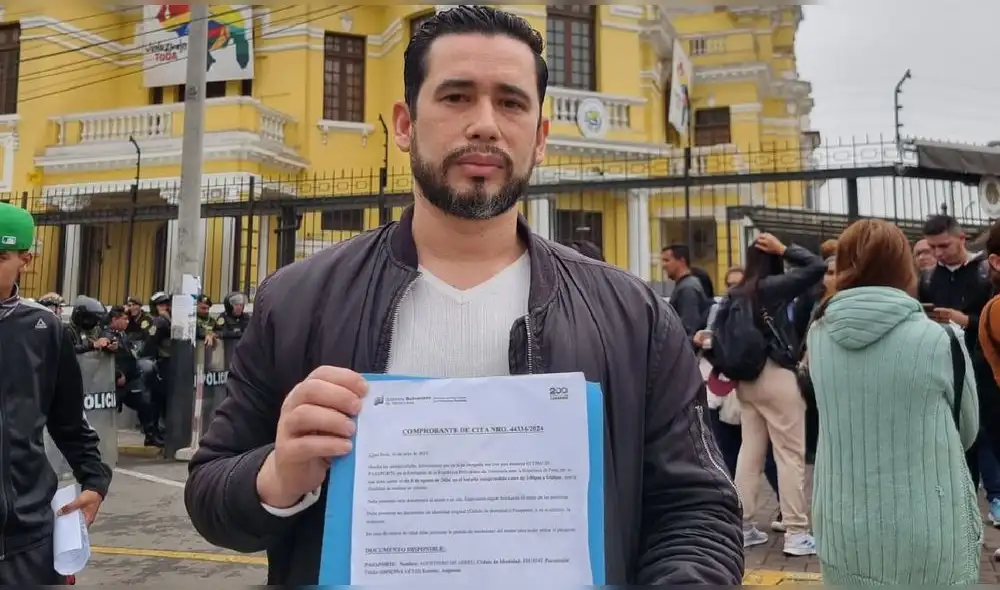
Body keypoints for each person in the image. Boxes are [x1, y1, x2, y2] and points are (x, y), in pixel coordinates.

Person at [184, 7, 742, 585]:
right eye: (455, 97)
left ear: (541, 137)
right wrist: (278, 477)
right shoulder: (298, 300)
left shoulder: (633, 316)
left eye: (511, 102)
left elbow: (697, 510)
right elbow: (210, 493)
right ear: (404, 125)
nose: (485, 124)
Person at [808, 219, 981, 584]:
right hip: (928, 531)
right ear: (905, 266)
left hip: (842, 528)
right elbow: (967, 432)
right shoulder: (941, 339)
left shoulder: (818, 336)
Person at [0, 203, 112, 584]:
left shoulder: (45, 329)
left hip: (28, 536)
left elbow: (68, 422)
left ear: (25, 260)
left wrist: (94, 482)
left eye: (0, 257)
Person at [727, 232, 825, 555]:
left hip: (747, 381)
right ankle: (796, 533)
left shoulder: (738, 292)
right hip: (777, 376)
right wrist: (786, 249)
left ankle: (741, 526)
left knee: (749, 453)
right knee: (789, 454)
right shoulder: (771, 288)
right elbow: (816, 267)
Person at [918, 214, 995, 494]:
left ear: (961, 238)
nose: (938, 253)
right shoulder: (928, 277)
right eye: (932, 247)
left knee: (980, 433)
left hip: (981, 366)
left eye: (944, 246)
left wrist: (966, 321)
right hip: (943, 366)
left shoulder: (985, 272)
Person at [104, 305, 164, 447]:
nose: (127, 322)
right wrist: (118, 374)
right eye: (124, 319)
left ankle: (151, 435)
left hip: (131, 379)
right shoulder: (108, 335)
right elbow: (106, 359)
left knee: (146, 403)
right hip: (116, 382)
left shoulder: (122, 334)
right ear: (114, 319)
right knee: (108, 412)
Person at [661, 244, 712, 340]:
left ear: (682, 261)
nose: (664, 265)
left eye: (667, 260)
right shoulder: (685, 285)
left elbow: (689, 327)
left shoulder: (688, 288)